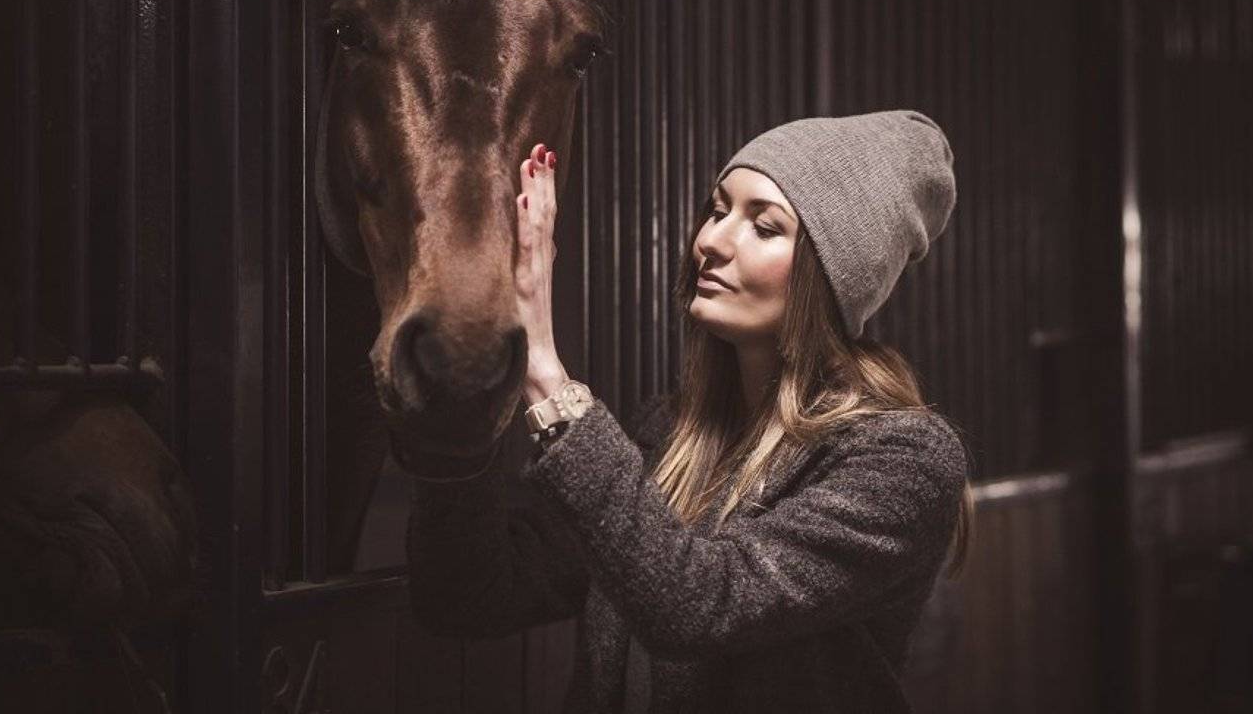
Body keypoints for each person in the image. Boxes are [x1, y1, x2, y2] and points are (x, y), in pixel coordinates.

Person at [403, 110, 973, 713]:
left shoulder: (903, 459)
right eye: (719, 208)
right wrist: (460, 387)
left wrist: (547, 376)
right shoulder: (666, 436)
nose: (712, 240)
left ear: (832, 279)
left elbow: (700, 603)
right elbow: (470, 596)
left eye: (765, 227)